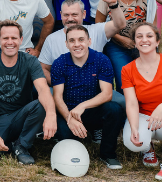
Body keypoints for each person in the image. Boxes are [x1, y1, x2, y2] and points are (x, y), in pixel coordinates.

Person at [0, 22, 55, 164]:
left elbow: (42, 89)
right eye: (5, 38)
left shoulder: (30, 61)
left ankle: (21, 146)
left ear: (21, 40)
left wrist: (51, 114)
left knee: (42, 104)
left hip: (22, 115)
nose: (10, 42)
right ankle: (11, 143)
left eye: (14, 38)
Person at [49, 25, 125, 169]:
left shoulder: (101, 60)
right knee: (66, 137)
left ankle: (108, 154)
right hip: (68, 111)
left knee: (114, 109)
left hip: (91, 110)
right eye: (72, 40)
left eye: (81, 40)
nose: (77, 44)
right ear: (66, 44)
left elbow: (107, 94)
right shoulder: (60, 63)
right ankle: (73, 137)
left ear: (89, 41)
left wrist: (82, 106)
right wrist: (69, 118)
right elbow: (57, 97)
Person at [121, 22, 162, 182]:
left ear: (157, 41)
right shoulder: (127, 69)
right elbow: (131, 103)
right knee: (133, 143)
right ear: (135, 43)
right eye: (140, 36)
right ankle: (148, 147)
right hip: (145, 117)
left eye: (149, 36)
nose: (145, 40)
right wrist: (134, 127)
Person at [38, 0, 126, 83]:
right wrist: (59, 85)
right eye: (66, 15)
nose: (70, 19)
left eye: (74, 14)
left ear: (84, 14)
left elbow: (120, 25)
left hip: (94, 89)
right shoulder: (51, 39)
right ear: (61, 15)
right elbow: (43, 69)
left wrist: (113, 4)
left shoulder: (96, 30)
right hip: (62, 89)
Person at [94, 0, 153, 91]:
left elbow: (152, 25)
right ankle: (126, 109)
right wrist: (121, 39)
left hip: (142, 43)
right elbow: (99, 24)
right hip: (116, 44)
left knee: (145, 80)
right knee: (124, 82)